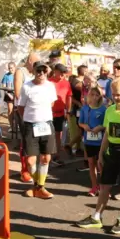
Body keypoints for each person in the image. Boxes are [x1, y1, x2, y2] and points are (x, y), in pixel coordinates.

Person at [76, 78, 120, 234]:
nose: (116, 98)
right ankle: (97, 217)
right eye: (113, 94)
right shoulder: (110, 110)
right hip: (111, 152)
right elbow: (107, 133)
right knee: (105, 184)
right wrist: (100, 154)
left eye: (119, 95)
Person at [18, 61, 57, 199]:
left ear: (47, 72)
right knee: (30, 161)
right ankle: (38, 186)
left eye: (44, 71)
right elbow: (21, 107)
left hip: (46, 124)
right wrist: (30, 118)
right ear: (33, 71)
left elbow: (51, 103)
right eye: (38, 71)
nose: (41, 74)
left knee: (46, 158)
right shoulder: (26, 86)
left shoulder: (50, 86)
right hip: (31, 125)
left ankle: (39, 187)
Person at [14, 53, 39, 183]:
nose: (37, 66)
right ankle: (24, 171)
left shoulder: (36, 73)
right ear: (29, 61)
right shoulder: (20, 72)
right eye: (35, 63)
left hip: (36, 112)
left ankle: (32, 167)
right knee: (25, 140)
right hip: (23, 110)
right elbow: (18, 92)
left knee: (34, 140)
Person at [79, 87, 106, 196]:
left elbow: (106, 124)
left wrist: (100, 127)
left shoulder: (104, 109)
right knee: (91, 164)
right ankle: (94, 187)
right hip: (88, 141)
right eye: (93, 94)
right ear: (89, 95)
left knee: (101, 164)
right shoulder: (85, 109)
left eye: (97, 95)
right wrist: (84, 126)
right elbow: (80, 122)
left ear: (100, 96)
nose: (95, 97)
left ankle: (104, 187)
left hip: (100, 142)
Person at [49, 63, 73, 166]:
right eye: (61, 74)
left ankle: (57, 156)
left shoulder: (66, 83)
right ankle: (48, 157)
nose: (63, 76)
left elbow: (69, 96)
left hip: (60, 113)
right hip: (49, 113)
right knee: (49, 135)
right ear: (55, 71)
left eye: (64, 74)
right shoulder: (48, 82)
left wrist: (68, 110)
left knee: (58, 134)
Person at [65, 65, 87, 158]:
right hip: (79, 109)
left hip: (82, 107)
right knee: (82, 130)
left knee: (81, 130)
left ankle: (76, 148)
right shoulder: (76, 81)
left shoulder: (79, 80)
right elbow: (79, 89)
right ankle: (70, 145)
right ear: (84, 71)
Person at [2, 62, 16, 132]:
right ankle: (12, 126)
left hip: (17, 94)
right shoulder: (6, 76)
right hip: (9, 94)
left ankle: (17, 125)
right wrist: (8, 93)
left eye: (12, 68)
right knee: (10, 110)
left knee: (18, 111)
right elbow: (3, 86)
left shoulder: (17, 74)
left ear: (15, 67)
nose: (10, 69)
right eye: (9, 68)